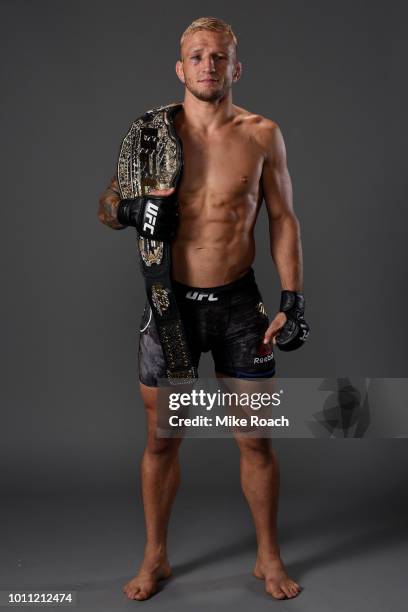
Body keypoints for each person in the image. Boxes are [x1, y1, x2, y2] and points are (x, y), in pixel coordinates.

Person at [98, 16, 308, 601]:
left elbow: (284, 220)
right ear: (179, 67)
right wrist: (136, 210)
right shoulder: (150, 135)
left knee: (256, 439)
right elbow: (106, 203)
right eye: (197, 56)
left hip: (240, 302)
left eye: (220, 57)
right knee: (163, 438)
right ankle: (156, 557)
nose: (208, 65)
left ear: (237, 67)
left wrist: (292, 299)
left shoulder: (263, 133)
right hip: (171, 307)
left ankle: (268, 558)